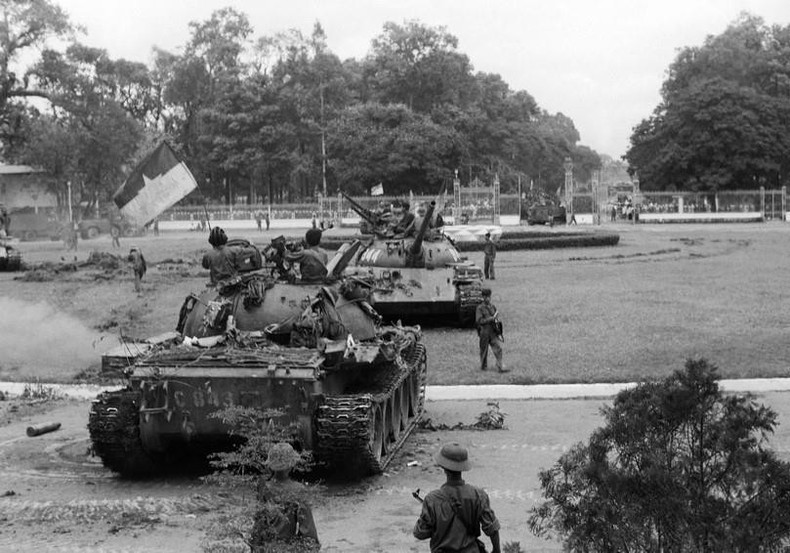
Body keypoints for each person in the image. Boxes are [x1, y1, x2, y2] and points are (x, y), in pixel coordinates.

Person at [414, 442, 502, 553]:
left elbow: (420, 533)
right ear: (463, 467)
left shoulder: (432, 500)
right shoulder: (479, 495)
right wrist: (496, 550)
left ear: (443, 467)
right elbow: (492, 529)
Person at [251, 442, 320, 552]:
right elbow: (308, 532)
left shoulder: (263, 487)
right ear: (291, 464)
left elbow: (258, 526)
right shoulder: (298, 490)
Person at [475, 288, 506, 372]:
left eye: (489, 296)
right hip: (484, 331)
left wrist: (497, 322)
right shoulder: (480, 308)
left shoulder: (492, 307)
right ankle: (483, 366)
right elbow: (479, 321)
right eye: (486, 297)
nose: (488, 298)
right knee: (484, 350)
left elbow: (495, 316)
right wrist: (490, 319)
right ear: (483, 297)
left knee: (498, 348)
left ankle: (500, 365)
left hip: (493, 331)